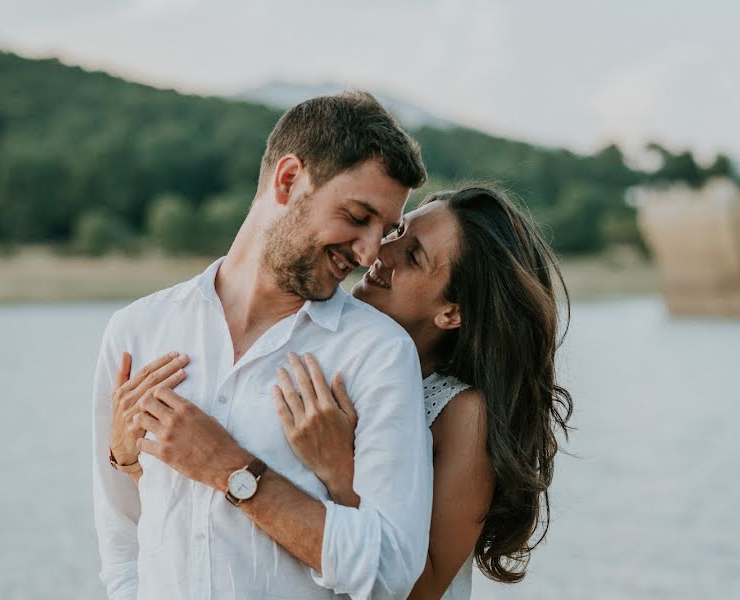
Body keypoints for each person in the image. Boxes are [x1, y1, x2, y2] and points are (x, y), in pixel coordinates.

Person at [114, 185, 574, 599]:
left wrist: (341, 474)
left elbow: (419, 590)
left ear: (451, 312)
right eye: (396, 232)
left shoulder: (463, 413)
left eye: (412, 256)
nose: (380, 252)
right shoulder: (333, 365)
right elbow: (224, 510)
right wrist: (130, 458)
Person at [92, 91, 432, 600]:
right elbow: (122, 542)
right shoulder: (137, 330)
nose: (367, 253)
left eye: (384, 231)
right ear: (289, 179)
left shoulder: (377, 354)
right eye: (359, 216)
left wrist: (229, 468)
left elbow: (389, 572)